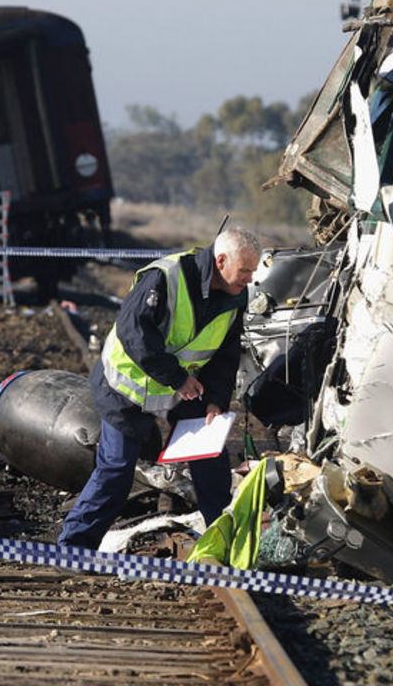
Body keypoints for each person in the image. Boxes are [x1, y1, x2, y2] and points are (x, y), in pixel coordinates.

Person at [58, 227, 262, 550]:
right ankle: (73, 547)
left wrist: (216, 400)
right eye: (246, 270)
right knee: (116, 471)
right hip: (126, 385)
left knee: (211, 463)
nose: (250, 279)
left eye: (254, 270)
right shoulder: (165, 278)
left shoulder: (236, 294)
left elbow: (226, 352)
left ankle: (224, 543)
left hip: (181, 387)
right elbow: (133, 332)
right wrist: (178, 378)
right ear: (221, 261)